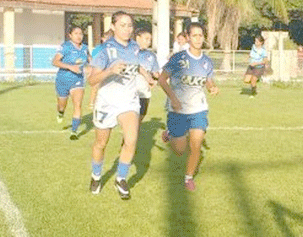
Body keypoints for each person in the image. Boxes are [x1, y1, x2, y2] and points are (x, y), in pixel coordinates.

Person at [87, 11, 154, 200]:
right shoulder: (104, 50)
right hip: (107, 102)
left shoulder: (134, 47)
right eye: (122, 25)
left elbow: (137, 65)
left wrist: (146, 76)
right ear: (114, 27)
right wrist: (110, 70)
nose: (127, 29)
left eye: (130, 25)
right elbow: (92, 80)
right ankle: (96, 176)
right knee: (101, 143)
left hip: (129, 101)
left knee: (131, 139)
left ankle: (121, 178)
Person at [158, 22, 219, 192]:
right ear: (188, 37)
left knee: (196, 145)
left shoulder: (207, 61)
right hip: (178, 110)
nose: (198, 39)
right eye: (194, 35)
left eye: (201, 35)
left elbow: (208, 79)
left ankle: (188, 178)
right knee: (179, 150)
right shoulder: (178, 58)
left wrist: (212, 87)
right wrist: (173, 99)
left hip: (198, 109)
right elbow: (162, 80)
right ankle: (170, 133)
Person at [52, 26, 90, 140]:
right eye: (76, 33)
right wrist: (70, 67)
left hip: (78, 80)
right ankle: (60, 113)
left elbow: (90, 61)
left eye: (81, 34)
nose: (79, 36)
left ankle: (74, 131)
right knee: (62, 105)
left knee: (77, 105)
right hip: (63, 80)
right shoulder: (65, 47)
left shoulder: (85, 48)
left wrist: (92, 69)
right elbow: (55, 61)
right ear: (70, 35)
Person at [135, 28, 160, 122]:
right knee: (132, 118)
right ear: (138, 38)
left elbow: (155, 73)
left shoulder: (151, 55)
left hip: (144, 91)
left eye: (150, 40)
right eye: (146, 39)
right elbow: (135, 66)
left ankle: (129, 136)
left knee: (141, 116)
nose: (149, 42)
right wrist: (146, 76)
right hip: (131, 89)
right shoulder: (130, 51)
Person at [89, 30, 113, 109]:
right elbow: (94, 59)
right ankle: (92, 103)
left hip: (110, 71)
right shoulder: (99, 48)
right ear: (102, 39)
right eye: (105, 38)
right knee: (95, 86)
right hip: (100, 70)